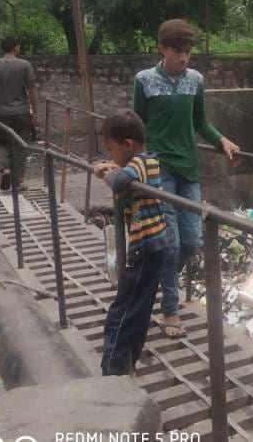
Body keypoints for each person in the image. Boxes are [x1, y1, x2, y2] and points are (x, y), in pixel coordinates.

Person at [133, 19, 239, 338]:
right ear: (162, 48)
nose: (184, 58)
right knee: (170, 243)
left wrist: (222, 140)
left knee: (191, 242)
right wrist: (131, 165)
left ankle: (154, 279)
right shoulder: (145, 81)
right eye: (178, 51)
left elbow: (199, 120)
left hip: (188, 170)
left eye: (188, 52)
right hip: (158, 168)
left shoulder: (195, 80)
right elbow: (136, 126)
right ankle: (170, 310)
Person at [94, 109, 168, 375]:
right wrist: (116, 166)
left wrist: (103, 170)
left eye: (111, 149)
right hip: (154, 245)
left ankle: (113, 369)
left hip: (146, 247)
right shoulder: (145, 162)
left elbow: (116, 182)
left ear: (128, 144)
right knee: (138, 308)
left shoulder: (138, 165)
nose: (111, 156)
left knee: (122, 311)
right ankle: (127, 362)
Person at [0, 36, 38, 191]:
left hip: (0, 113)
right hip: (21, 113)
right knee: (20, 146)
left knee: (1, 143)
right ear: (16, 47)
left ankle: (5, 169)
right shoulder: (25, 65)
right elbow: (32, 91)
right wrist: (36, 113)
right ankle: (18, 182)